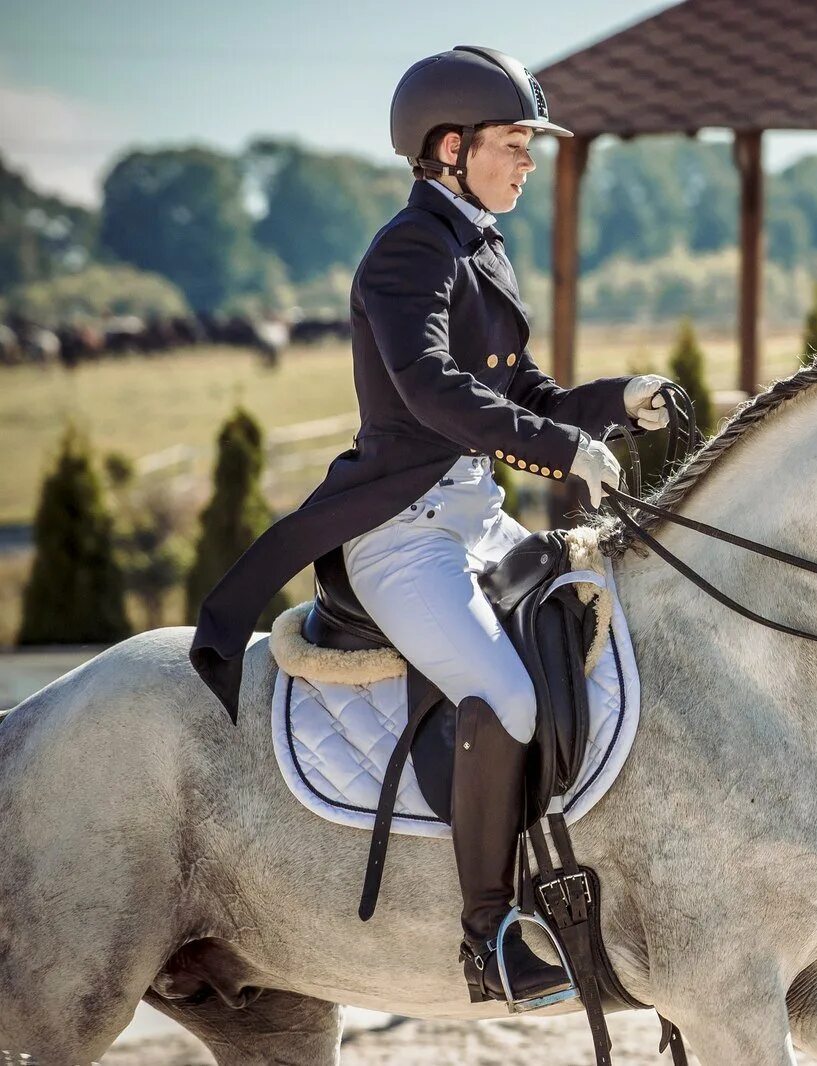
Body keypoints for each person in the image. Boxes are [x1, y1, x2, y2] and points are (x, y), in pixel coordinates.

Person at [188, 45, 671, 1006]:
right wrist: (563, 448)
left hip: (477, 522)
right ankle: (488, 936)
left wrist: (618, 399)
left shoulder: (479, 244)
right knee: (508, 695)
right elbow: (434, 390)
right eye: (513, 142)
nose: (530, 159)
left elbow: (522, 391)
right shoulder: (409, 251)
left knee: (606, 631)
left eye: (531, 143)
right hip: (402, 534)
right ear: (448, 148)